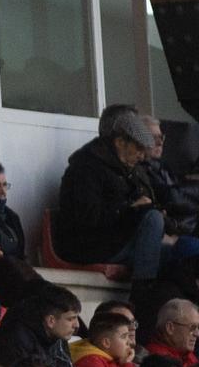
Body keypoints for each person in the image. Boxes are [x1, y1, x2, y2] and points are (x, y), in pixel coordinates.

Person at [55, 109, 164, 278]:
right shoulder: (86, 168)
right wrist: (130, 208)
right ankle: (142, 294)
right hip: (90, 247)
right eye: (138, 149)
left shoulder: (128, 168)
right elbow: (87, 217)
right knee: (154, 221)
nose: (142, 156)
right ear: (120, 142)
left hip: (116, 241)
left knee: (181, 250)